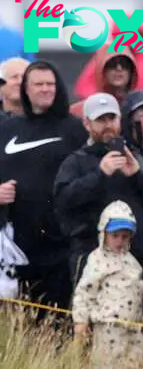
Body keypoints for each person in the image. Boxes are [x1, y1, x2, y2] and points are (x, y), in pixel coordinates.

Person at [53, 93, 143, 284]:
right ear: (87, 123)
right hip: (92, 260)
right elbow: (63, 199)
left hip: (136, 259)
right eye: (101, 119)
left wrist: (136, 174)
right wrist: (100, 174)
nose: (107, 124)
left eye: (111, 118)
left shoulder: (137, 156)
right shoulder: (76, 160)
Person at [0, 60, 88, 310]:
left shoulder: (74, 128)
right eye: (39, 84)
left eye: (51, 83)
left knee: (58, 323)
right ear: (26, 89)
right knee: (19, 327)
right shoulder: (7, 129)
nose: (46, 89)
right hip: (16, 247)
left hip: (62, 245)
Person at [72, 200, 143, 369]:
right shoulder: (97, 260)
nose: (120, 241)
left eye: (125, 236)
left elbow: (133, 283)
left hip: (134, 326)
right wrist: (80, 321)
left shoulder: (130, 261)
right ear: (103, 233)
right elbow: (84, 292)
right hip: (108, 327)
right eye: (115, 236)